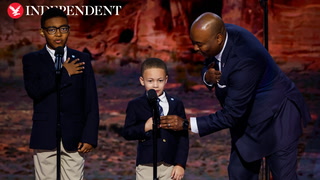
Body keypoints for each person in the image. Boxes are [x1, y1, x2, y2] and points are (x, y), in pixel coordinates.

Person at [160, 12, 311, 180]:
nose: (195, 48)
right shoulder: (218, 36)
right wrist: (207, 76)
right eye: (194, 43)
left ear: (218, 38)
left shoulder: (245, 60)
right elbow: (208, 62)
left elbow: (232, 115)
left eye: (199, 44)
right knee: (239, 174)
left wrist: (186, 124)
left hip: (278, 119)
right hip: (246, 120)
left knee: (283, 176)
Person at [22, 8, 99, 179]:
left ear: (69, 30)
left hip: (75, 135)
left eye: (63, 29)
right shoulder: (32, 60)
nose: (58, 34)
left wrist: (90, 136)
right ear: (42, 32)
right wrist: (63, 73)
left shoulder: (81, 59)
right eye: (52, 29)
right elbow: (34, 91)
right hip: (45, 133)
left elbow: (91, 101)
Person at [122, 58, 189, 180]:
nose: (155, 85)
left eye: (160, 80)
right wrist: (145, 127)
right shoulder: (135, 104)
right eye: (150, 81)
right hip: (146, 164)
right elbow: (127, 132)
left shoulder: (176, 104)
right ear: (142, 81)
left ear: (166, 80)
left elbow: (183, 137)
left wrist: (180, 164)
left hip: (170, 165)